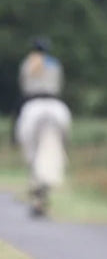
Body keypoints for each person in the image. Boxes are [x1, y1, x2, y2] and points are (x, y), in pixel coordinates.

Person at [14, 38, 71, 217]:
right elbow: (59, 85)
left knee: (18, 120)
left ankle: (13, 140)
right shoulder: (55, 64)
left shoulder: (28, 63)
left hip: (33, 101)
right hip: (54, 101)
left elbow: (23, 85)